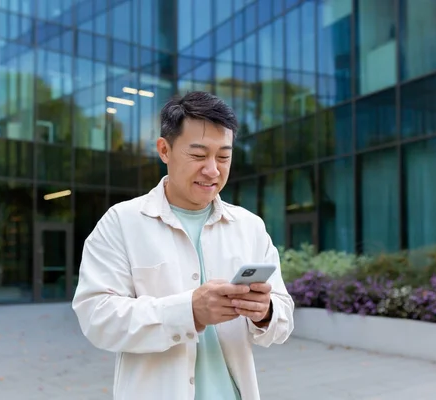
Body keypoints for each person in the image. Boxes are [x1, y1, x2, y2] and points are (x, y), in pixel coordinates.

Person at [72, 91, 294, 400]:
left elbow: (283, 319)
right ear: (164, 149)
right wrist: (188, 311)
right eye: (199, 155)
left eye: (224, 156)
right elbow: (98, 318)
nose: (213, 170)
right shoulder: (121, 223)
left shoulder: (250, 227)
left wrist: (265, 312)